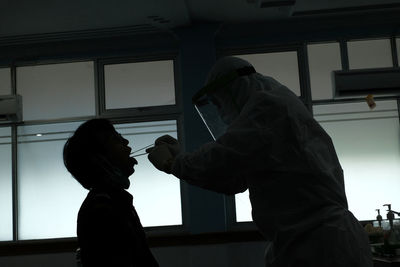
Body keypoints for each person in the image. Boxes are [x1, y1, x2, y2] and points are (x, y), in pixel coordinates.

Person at [146, 57, 373, 266]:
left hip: (321, 245)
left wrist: (173, 164)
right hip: (311, 240)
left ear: (233, 90)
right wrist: (180, 158)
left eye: (219, 101)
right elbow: (234, 181)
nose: (220, 109)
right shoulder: (274, 105)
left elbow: (222, 157)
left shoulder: (268, 106)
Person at [63, 118, 159, 267]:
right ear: (99, 159)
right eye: (116, 140)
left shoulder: (114, 200)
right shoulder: (102, 208)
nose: (126, 142)